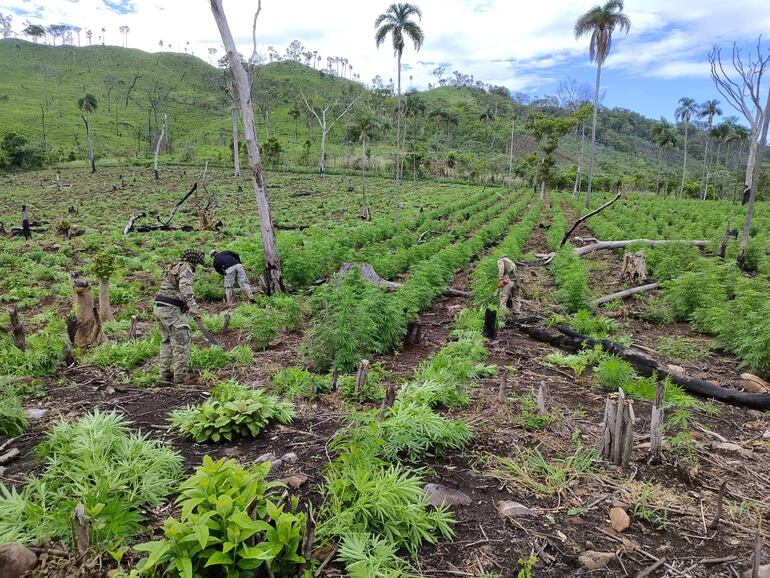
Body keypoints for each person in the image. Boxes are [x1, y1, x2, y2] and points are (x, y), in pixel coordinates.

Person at [153, 249, 205, 385]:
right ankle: (181, 378)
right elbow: (185, 286)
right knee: (181, 340)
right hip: (170, 309)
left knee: (166, 341)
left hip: (159, 306)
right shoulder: (186, 267)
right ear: (195, 261)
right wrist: (193, 308)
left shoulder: (174, 266)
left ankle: (164, 376)